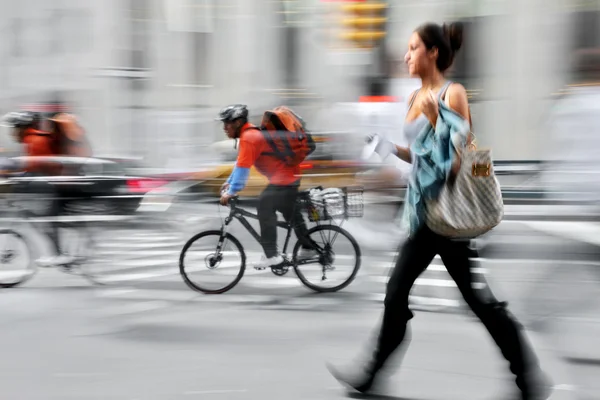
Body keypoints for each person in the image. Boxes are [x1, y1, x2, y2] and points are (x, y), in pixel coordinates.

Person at [327, 22, 552, 400]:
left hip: (451, 214)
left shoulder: (454, 93)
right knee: (402, 293)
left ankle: (527, 376)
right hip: (424, 212)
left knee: (471, 300)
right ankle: (372, 375)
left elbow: (456, 158)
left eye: (413, 48)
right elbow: (419, 158)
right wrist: (385, 148)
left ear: (433, 52)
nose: (406, 55)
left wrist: (435, 118)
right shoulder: (414, 98)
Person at [216, 104, 316, 269]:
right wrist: (230, 181)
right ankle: (309, 247)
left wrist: (232, 192)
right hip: (289, 177)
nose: (224, 127)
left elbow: (243, 170)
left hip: (284, 179)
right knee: (292, 216)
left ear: (239, 122)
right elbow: (240, 163)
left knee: (264, 205)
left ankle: (272, 255)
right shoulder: (251, 134)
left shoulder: (250, 137)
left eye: (227, 123)